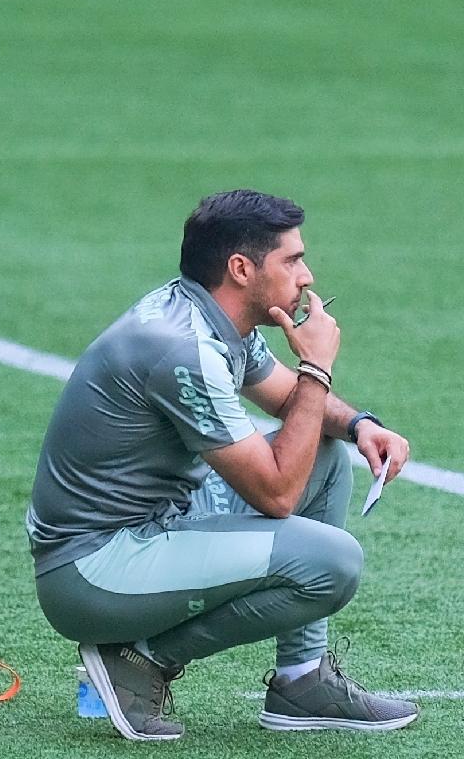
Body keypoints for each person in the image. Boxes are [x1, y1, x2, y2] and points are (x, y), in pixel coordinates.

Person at [28, 190, 419, 741]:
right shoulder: (181, 348)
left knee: (327, 455)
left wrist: (360, 426)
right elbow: (278, 494)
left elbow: (290, 402)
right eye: (292, 260)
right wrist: (317, 365)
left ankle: (301, 682)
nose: (306, 276)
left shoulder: (209, 316)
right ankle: (139, 661)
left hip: (154, 525)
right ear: (241, 268)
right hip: (92, 570)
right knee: (333, 563)